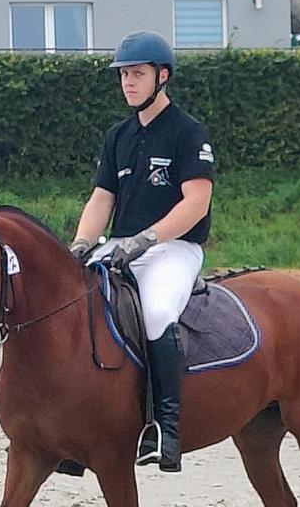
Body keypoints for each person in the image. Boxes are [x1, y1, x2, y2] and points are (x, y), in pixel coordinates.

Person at [70, 31, 215, 473]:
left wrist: (147, 239)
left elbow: (196, 203)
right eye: (124, 75)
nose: (128, 83)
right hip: (119, 245)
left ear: (162, 76)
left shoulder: (189, 133)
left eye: (137, 74)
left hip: (173, 248)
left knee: (154, 313)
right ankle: (74, 427)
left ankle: (166, 429)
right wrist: (78, 244)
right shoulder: (118, 136)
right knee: (75, 304)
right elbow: (101, 199)